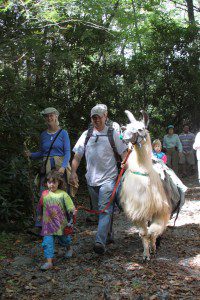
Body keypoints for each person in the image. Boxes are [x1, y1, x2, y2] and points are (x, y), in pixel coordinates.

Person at [69, 104, 128, 254]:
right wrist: (73, 172)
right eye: (93, 117)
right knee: (100, 210)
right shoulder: (86, 135)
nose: (96, 120)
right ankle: (108, 235)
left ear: (105, 116)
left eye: (99, 117)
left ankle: (99, 242)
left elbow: (124, 153)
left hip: (109, 179)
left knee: (104, 210)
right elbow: (77, 156)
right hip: (91, 180)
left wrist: (126, 163)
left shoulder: (113, 133)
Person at [24, 107, 71, 227]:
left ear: (56, 117)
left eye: (51, 115)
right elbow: (41, 153)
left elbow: (67, 152)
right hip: (46, 168)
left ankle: (65, 224)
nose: (49, 118)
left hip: (60, 167)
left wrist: (63, 167)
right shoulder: (43, 135)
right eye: (47, 116)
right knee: (43, 194)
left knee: (62, 194)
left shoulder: (63, 133)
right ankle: (41, 225)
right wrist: (31, 155)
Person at [37, 170, 75, 270]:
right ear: (46, 183)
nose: (52, 184)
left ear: (59, 183)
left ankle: (69, 248)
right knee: (47, 242)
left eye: (54, 182)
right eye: (49, 182)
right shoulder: (44, 194)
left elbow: (70, 206)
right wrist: (40, 215)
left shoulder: (63, 194)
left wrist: (72, 210)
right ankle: (49, 262)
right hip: (47, 225)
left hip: (60, 224)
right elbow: (40, 206)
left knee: (64, 239)